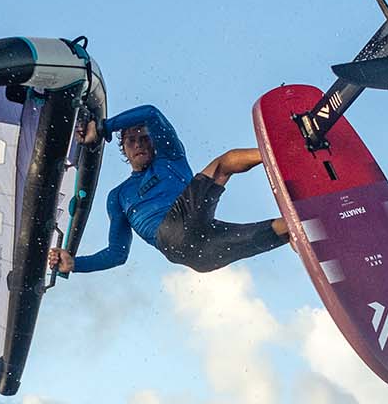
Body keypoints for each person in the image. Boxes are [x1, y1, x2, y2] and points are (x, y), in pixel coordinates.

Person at [48, 105, 289, 277]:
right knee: (221, 167)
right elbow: (117, 253)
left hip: (200, 245)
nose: (139, 144)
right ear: (123, 148)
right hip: (176, 244)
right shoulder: (118, 196)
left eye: (144, 138)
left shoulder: (170, 157)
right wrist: (75, 264)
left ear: (155, 142)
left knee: (270, 232)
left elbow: (151, 113)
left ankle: (303, 225)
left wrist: (103, 128)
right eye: (131, 140)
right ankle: (284, 154)